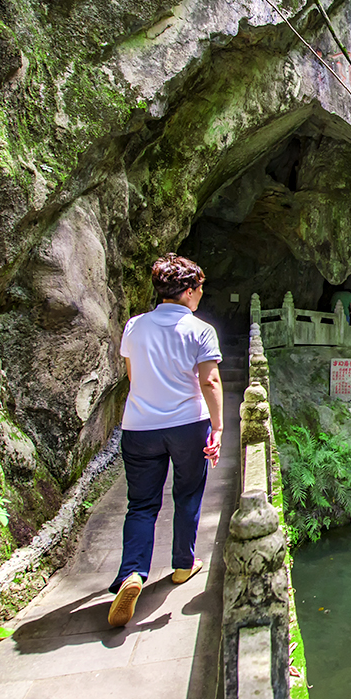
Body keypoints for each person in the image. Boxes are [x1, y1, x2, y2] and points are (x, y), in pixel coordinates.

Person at [108, 254, 224, 628]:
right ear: (189, 291)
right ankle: (182, 565)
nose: (201, 296)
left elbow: (132, 375)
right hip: (188, 425)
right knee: (187, 494)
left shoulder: (135, 327)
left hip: (139, 426)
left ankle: (132, 574)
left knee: (141, 504)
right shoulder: (199, 330)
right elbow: (209, 381)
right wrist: (218, 428)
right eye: (200, 289)